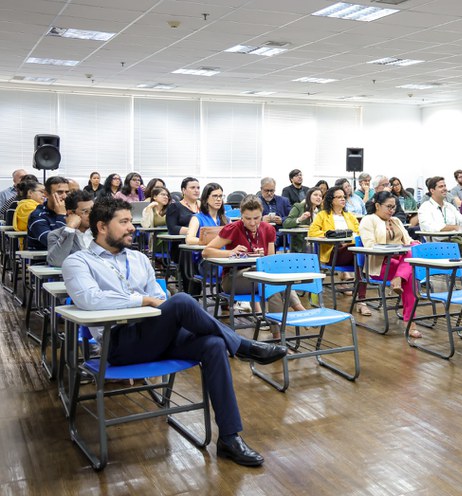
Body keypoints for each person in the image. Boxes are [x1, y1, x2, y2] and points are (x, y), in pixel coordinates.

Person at [62, 197, 287, 467]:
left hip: (155, 335)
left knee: (214, 343)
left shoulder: (137, 258)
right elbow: (91, 300)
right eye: (123, 222)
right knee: (181, 301)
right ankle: (244, 347)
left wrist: (150, 300)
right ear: (101, 226)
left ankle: (229, 437)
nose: (131, 228)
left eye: (130, 222)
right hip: (120, 344)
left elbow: (158, 295)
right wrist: (141, 300)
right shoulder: (78, 261)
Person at [203, 195, 307, 333]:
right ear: (241, 215)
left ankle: (278, 335)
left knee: (272, 284)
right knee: (270, 281)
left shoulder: (268, 229)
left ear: (262, 214)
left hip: (259, 277)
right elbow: (206, 251)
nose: (252, 223)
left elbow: (271, 261)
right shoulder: (233, 228)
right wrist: (231, 252)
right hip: (233, 279)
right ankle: (297, 312)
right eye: (247, 218)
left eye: (256, 218)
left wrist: (262, 256)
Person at [358, 191, 420, 337]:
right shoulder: (368, 220)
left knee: (412, 253)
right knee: (410, 274)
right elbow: (369, 245)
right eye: (389, 207)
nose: (392, 210)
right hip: (381, 263)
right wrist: (394, 249)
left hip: (400, 262)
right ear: (378, 205)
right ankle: (410, 323)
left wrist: (413, 243)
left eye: (394, 207)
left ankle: (398, 278)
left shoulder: (396, 221)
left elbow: (407, 240)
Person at [308, 186, 371, 316]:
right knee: (360, 254)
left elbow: (359, 232)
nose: (343, 199)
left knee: (361, 258)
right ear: (331, 200)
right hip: (333, 253)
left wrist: (350, 238)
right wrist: (332, 235)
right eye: (339, 197)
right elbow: (312, 232)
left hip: (351, 251)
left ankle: (362, 300)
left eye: (344, 197)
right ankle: (361, 300)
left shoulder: (350, 216)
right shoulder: (322, 215)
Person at [417, 176, 462, 258]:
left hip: (457, 240)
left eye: (445, 186)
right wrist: (453, 227)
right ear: (432, 190)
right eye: (441, 186)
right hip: (440, 245)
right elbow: (430, 227)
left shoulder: (449, 206)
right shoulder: (425, 207)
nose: (445, 189)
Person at [47, 190, 94, 267]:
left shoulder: (102, 232)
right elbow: (56, 261)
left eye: (93, 210)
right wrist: (70, 228)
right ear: (71, 213)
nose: (91, 215)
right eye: (85, 212)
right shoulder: (56, 235)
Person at [27, 176, 70, 250]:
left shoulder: (71, 211)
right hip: (45, 260)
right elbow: (54, 244)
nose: (65, 196)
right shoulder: (37, 216)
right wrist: (61, 216)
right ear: (46, 194)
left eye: (67, 192)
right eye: (59, 192)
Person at [283, 186, 323, 253]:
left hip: (318, 242)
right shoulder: (299, 207)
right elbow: (286, 223)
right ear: (308, 196)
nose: (318, 197)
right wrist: (300, 219)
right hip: (302, 244)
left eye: (320, 196)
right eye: (315, 195)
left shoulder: (321, 211)